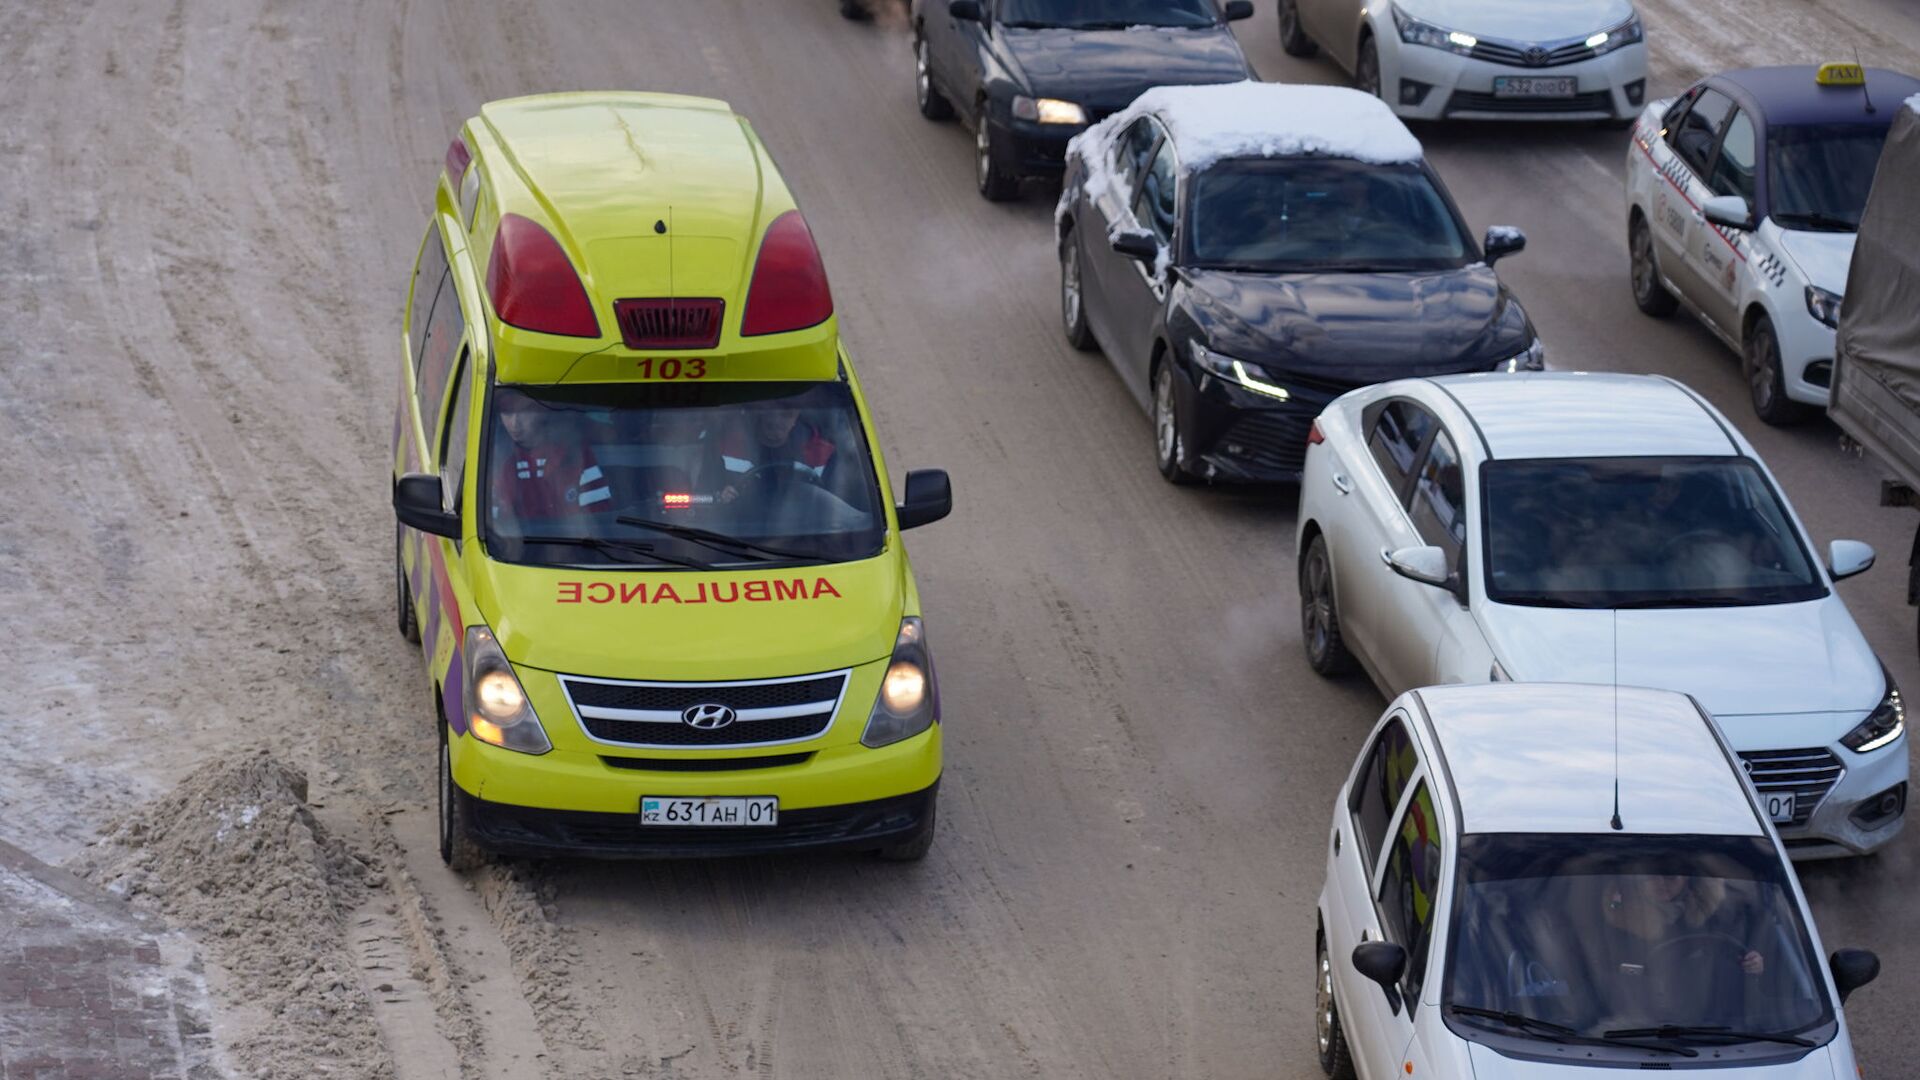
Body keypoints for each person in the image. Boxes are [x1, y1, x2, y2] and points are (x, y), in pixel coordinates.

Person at [490, 394, 612, 529]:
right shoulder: (502, 464)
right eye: (507, 413)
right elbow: (498, 529)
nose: (515, 423)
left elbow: (597, 527)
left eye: (525, 412)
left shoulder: (577, 457)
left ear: (541, 411)